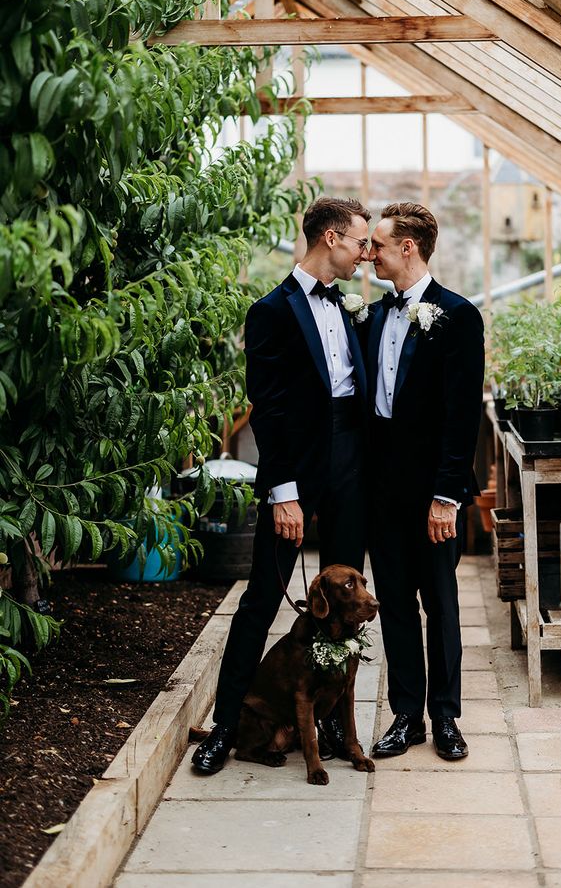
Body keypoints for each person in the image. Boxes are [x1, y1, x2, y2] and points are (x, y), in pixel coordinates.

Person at [192, 196, 372, 774]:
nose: (364, 253)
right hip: (297, 466)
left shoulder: (348, 306)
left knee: (346, 606)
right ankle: (226, 726)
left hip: (351, 463)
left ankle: (336, 729)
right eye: (358, 242)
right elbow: (267, 410)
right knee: (261, 599)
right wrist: (284, 491)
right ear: (330, 239)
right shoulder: (270, 311)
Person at [365, 202, 484, 761]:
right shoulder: (369, 316)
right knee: (393, 602)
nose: (370, 254)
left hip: (432, 492)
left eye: (379, 245)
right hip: (380, 490)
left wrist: (447, 497)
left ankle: (445, 717)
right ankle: (406, 715)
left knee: (440, 601)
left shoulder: (457, 316)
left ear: (407, 248)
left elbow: (463, 418)